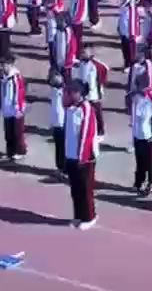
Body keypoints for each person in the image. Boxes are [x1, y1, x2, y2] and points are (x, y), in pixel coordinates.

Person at [60, 78, 100, 229]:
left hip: (85, 156)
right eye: (70, 91)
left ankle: (89, 217)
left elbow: (87, 134)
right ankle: (78, 216)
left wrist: (82, 156)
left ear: (81, 93)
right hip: (71, 154)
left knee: (85, 188)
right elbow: (64, 102)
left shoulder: (87, 109)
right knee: (75, 189)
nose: (71, 93)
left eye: (74, 91)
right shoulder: (70, 108)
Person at [0, 56, 28, 161]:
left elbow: (20, 93)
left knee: (17, 132)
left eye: (4, 65)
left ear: (10, 65)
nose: (3, 67)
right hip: (6, 107)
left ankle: (21, 151)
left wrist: (18, 108)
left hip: (16, 109)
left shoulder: (16, 77)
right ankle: (10, 152)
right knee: (8, 132)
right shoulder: (2, 77)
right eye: (2, 65)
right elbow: (0, 92)